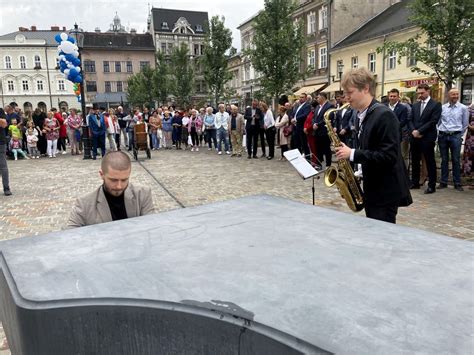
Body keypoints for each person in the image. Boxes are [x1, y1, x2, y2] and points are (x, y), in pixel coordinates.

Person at [335, 68, 412, 224]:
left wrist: (353, 154)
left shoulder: (384, 115)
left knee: (382, 239)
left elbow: (389, 156)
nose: (346, 98)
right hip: (373, 187)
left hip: (385, 190)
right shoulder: (359, 115)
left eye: (350, 92)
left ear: (365, 89)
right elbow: (369, 147)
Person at [67, 151, 155, 228]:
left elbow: (152, 228)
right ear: (102, 174)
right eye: (113, 180)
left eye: (124, 180)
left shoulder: (143, 194)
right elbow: (69, 236)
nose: (119, 186)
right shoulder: (84, 204)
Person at [408, 83, 442, 194]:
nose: (420, 95)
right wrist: (413, 131)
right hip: (415, 137)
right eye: (418, 93)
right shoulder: (415, 105)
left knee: (429, 161)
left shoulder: (436, 104)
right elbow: (410, 119)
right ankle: (415, 182)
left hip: (427, 137)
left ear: (428, 91)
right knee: (415, 160)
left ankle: (432, 185)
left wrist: (420, 131)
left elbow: (433, 121)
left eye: (422, 93)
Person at [437, 89, 469, 191]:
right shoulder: (442, 108)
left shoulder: (463, 108)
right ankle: (443, 182)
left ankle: (457, 183)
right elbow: (438, 122)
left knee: (455, 160)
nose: (455, 96)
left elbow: (465, 124)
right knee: (444, 160)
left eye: (457, 94)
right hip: (443, 135)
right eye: (453, 94)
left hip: (455, 136)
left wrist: (459, 135)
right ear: (448, 95)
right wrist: (439, 132)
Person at [312, 92, 335, 168]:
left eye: (318, 97)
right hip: (317, 131)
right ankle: (319, 164)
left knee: (326, 148)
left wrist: (318, 124)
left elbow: (328, 118)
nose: (317, 99)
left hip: (324, 131)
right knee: (318, 148)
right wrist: (314, 124)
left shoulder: (329, 106)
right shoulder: (318, 107)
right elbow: (314, 117)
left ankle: (328, 165)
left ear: (322, 97)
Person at [0, 108, 12, 195]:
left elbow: (4, 124)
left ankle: (6, 188)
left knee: (3, 166)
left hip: (0, 142)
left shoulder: (0, 110)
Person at [462, 103, 474, 178]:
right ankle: (471, 176)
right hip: (471, 138)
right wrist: (468, 126)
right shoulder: (470, 108)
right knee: (471, 156)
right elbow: (465, 120)